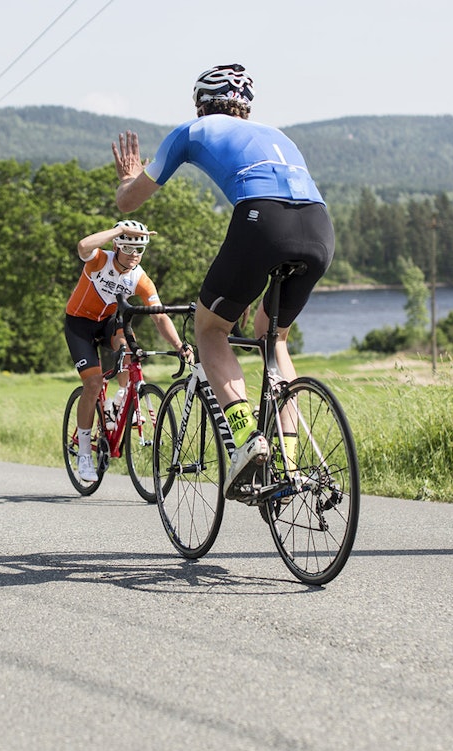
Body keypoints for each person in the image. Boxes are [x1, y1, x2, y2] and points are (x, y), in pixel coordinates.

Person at [112, 64, 334, 500]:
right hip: (319, 227)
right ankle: (288, 462)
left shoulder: (191, 131)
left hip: (261, 220)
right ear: (245, 108)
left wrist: (126, 177)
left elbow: (129, 199)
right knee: (276, 340)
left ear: (200, 102)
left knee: (211, 329)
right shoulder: (280, 135)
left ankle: (247, 437)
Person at [64, 220, 192, 483]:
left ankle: (122, 397)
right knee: (92, 384)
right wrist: (120, 230)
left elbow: (160, 316)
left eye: (140, 251)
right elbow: (82, 245)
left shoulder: (140, 278)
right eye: (129, 249)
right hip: (79, 324)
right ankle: (85, 453)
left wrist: (179, 346)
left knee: (129, 349)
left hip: (108, 322)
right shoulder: (99, 261)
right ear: (116, 246)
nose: (135, 256)